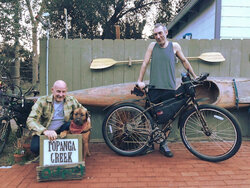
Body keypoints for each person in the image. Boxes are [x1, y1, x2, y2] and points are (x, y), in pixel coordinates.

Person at [137, 23, 197, 157]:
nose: (158, 37)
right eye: (155, 34)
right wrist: (139, 81)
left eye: (160, 33)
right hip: (154, 88)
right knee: (151, 117)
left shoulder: (175, 46)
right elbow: (145, 63)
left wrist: (194, 76)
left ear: (166, 33)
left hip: (169, 88)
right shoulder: (152, 46)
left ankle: (163, 145)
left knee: (168, 118)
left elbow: (184, 61)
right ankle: (149, 144)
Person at [27, 80, 88, 156]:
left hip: (63, 128)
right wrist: (45, 131)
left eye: (63, 92)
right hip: (45, 131)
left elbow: (84, 110)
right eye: (58, 91)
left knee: (70, 123)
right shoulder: (42, 101)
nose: (61, 95)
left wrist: (87, 120)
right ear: (52, 90)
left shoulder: (71, 100)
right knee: (35, 148)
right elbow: (31, 120)